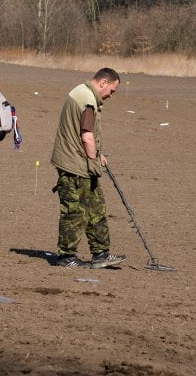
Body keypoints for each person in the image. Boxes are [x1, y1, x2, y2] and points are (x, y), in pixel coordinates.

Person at [50, 68, 127, 269]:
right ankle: (66, 256)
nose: (111, 95)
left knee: (96, 207)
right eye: (112, 90)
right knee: (75, 211)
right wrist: (94, 160)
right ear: (102, 83)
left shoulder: (80, 92)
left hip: (80, 162)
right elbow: (86, 135)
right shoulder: (88, 100)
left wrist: (97, 155)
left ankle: (101, 253)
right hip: (75, 165)